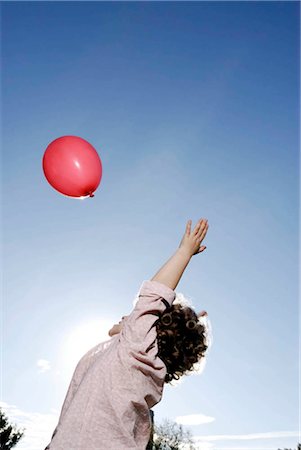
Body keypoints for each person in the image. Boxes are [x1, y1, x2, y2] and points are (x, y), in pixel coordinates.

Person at [45, 218, 210, 450]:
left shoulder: (135, 348)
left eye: (136, 316)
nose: (127, 316)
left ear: (151, 331)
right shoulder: (132, 362)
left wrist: (184, 251)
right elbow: (75, 408)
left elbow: (153, 295)